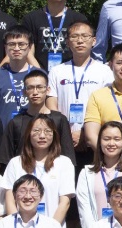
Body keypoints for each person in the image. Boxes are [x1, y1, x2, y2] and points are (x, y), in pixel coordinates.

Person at [47, 20, 114, 160]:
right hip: (63, 139)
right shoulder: (57, 71)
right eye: (74, 36)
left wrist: (85, 132)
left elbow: (107, 106)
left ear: (94, 41)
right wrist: (66, 132)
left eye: (85, 36)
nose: (80, 40)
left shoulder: (105, 71)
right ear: (67, 42)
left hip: (95, 139)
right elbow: (51, 104)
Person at [75, 121, 122, 228]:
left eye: (116, 139)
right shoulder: (86, 173)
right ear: (99, 142)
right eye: (106, 139)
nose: (111, 143)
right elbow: (84, 209)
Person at [21, 0, 90, 70]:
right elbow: (28, 52)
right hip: (38, 75)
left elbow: (83, 50)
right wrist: (41, 75)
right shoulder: (31, 18)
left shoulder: (79, 20)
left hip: (71, 75)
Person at [4, 69, 76, 169]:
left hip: (53, 173)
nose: (35, 92)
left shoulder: (59, 120)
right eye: (30, 88)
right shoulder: (16, 122)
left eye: (40, 87)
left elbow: (69, 157)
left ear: (48, 90)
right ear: (24, 92)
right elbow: (6, 159)